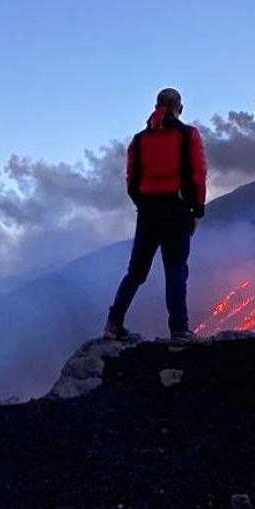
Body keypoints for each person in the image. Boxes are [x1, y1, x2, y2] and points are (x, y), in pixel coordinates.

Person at [103, 88, 207, 342]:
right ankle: (179, 330)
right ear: (179, 108)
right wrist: (197, 209)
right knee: (175, 270)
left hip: (148, 211)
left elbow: (131, 180)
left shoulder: (139, 141)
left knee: (136, 271)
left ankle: (113, 325)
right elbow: (198, 174)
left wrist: (144, 204)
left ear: (156, 105)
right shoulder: (187, 135)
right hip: (177, 210)